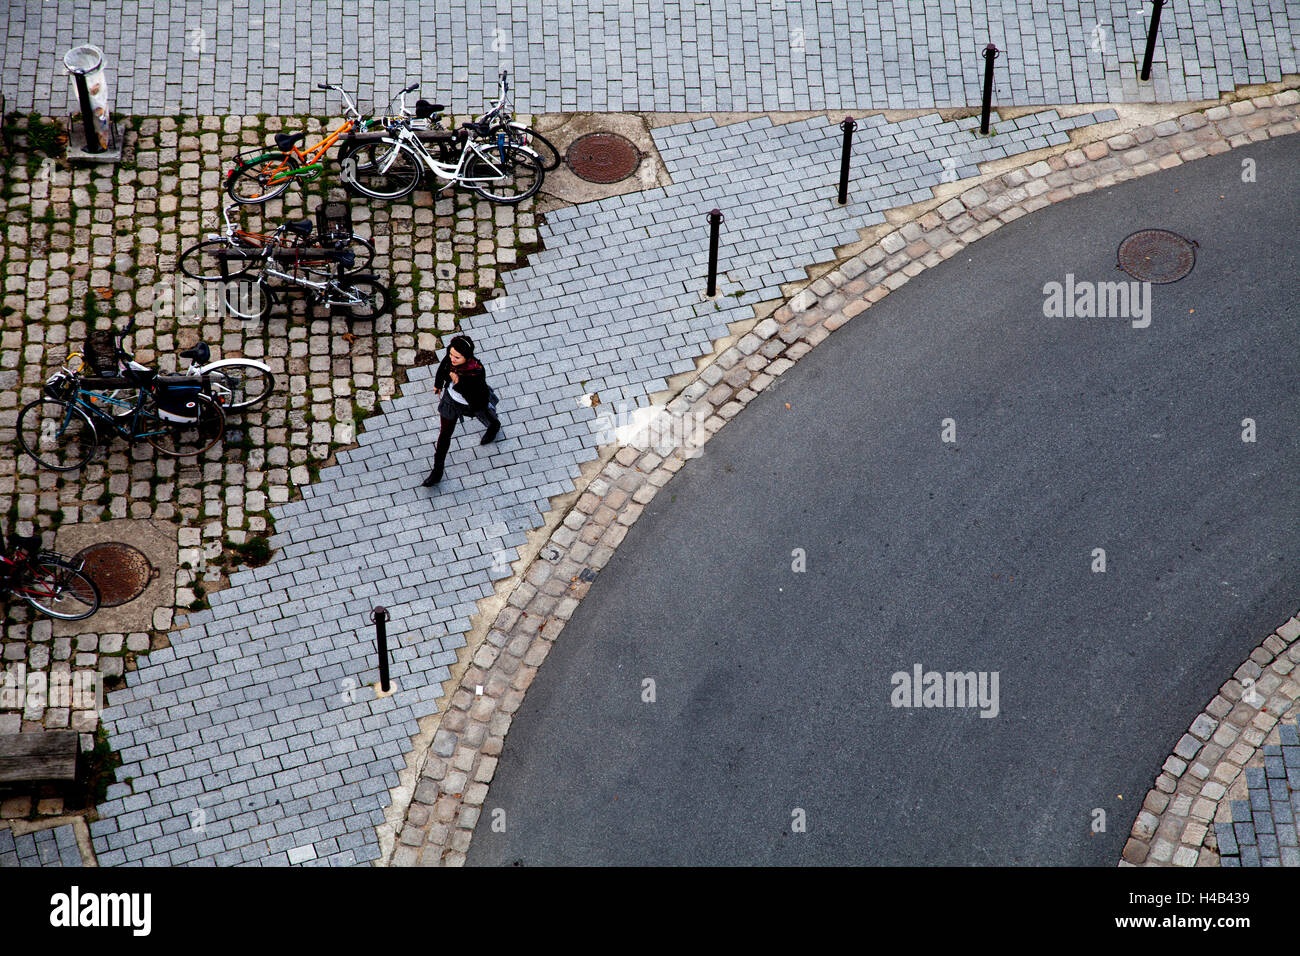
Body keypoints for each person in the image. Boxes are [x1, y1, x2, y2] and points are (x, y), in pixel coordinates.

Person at [421, 335, 500, 487]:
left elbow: (477, 399)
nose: (452, 359)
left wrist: (458, 383)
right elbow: (443, 367)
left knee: (487, 416)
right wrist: (438, 384)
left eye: (457, 357)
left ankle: (494, 426)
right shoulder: (451, 359)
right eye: (451, 354)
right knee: (444, 435)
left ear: (467, 357)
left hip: (472, 404)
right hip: (451, 401)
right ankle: (437, 471)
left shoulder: (476, 371)